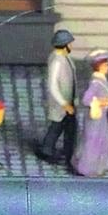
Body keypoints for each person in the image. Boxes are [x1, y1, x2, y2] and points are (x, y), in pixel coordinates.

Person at [72, 50, 108, 177]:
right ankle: (88, 168)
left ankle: (99, 166)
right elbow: (86, 99)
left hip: (102, 118)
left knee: (102, 140)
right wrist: (101, 102)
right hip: (96, 118)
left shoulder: (101, 80)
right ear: (99, 66)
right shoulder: (96, 83)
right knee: (93, 141)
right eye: (106, 65)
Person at [38, 28, 79, 164]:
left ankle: (67, 151)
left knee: (67, 127)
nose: (72, 46)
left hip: (68, 100)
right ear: (64, 44)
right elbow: (52, 86)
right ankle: (47, 150)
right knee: (57, 126)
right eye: (70, 43)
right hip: (60, 103)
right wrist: (64, 103)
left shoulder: (65, 58)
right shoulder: (56, 61)